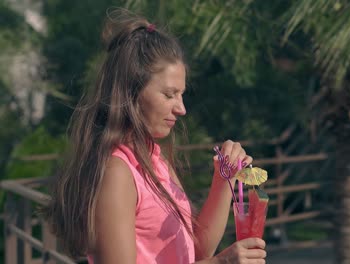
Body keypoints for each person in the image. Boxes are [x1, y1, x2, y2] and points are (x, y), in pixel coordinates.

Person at [44, 8, 267, 264]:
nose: (181, 108)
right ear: (131, 92)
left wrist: (223, 179)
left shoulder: (155, 160)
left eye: (182, 95)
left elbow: (195, 251)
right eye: (169, 95)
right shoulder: (116, 172)